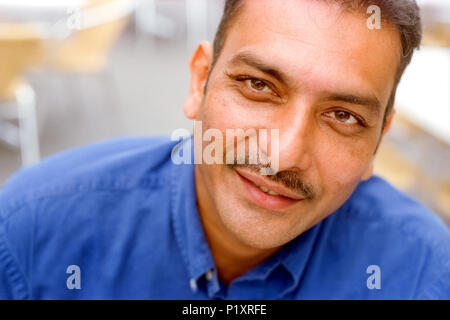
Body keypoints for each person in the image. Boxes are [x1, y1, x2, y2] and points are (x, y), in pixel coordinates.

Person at [0, 0, 448, 299]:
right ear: (200, 82)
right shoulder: (31, 234)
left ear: (377, 141)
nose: (284, 155)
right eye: (259, 86)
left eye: (344, 116)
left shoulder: (423, 275)